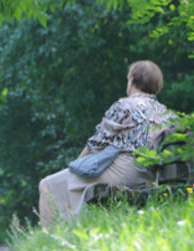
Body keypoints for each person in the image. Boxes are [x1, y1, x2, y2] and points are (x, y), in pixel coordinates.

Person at [38, 60, 178, 227]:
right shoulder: (168, 114)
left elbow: (96, 144)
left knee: (47, 184)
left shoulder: (124, 105)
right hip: (148, 178)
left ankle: (51, 239)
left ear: (132, 80)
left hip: (121, 174)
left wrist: (76, 166)